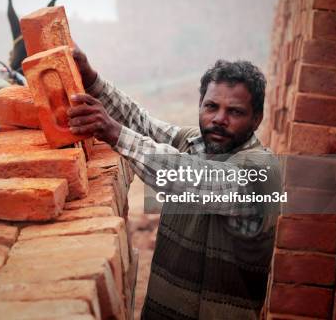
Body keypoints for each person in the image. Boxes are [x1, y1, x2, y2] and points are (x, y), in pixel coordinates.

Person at [67, 45, 281, 320]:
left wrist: (114, 133)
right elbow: (141, 123)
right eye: (211, 106)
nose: (219, 119)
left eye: (235, 112)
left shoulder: (263, 170)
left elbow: (197, 180)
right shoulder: (194, 142)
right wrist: (92, 81)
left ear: (256, 119)